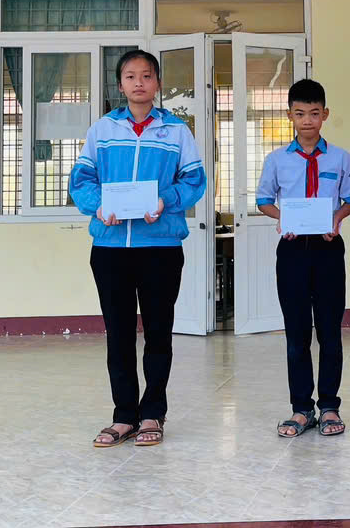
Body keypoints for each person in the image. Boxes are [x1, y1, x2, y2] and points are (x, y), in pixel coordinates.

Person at [70, 49, 207, 447]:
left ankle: (152, 414)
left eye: (146, 76)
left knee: (159, 333)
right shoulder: (103, 130)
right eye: (130, 76)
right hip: (110, 247)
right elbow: (81, 180)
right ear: (120, 85)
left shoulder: (177, 132)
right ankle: (124, 415)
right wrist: (100, 207)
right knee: (118, 334)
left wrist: (165, 200)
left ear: (158, 83)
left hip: (159, 246)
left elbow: (194, 180)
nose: (139, 83)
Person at [256, 79, 350, 438]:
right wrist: (281, 217)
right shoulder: (276, 160)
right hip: (292, 250)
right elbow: (264, 200)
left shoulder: (341, 158)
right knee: (297, 332)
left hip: (328, 248)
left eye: (314, 113)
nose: (307, 121)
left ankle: (329, 406)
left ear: (325, 115)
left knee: (330, 331)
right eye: (300, 114)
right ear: (289, 116)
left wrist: (337, 218)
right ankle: (301, 408)